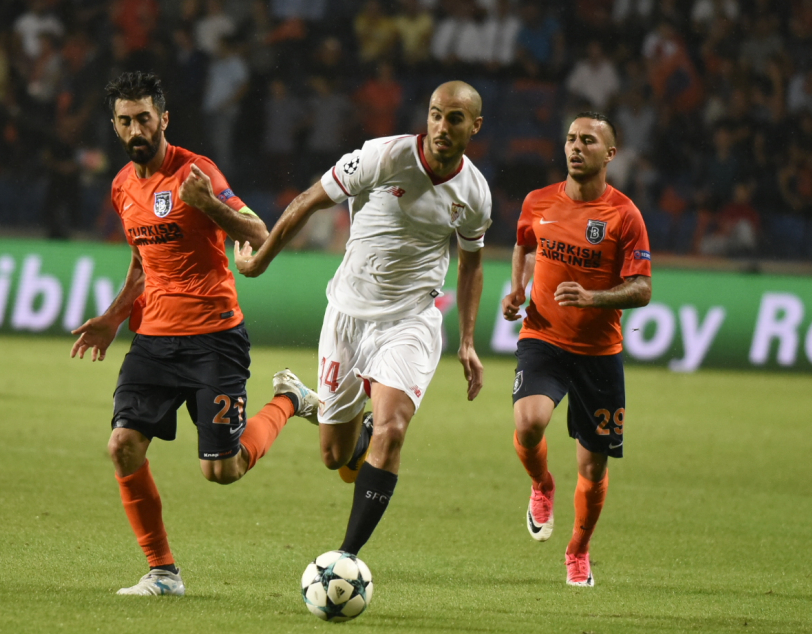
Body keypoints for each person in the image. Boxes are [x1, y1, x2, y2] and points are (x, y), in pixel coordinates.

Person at [69, 72, 319, 597]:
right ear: (114, 126)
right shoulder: (121, 187)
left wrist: (209, 206)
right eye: (124, 120)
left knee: (222, 472)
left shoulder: (197, 171)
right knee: (122, 445)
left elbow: (260, 233)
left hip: (214, 338)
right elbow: (141, 263)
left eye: (143, 118)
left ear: (163, 118)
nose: (135, 128)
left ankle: (289, 399)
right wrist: (114, 316)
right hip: (154, 339)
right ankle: (162, 572)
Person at [235, 81, 492, 557]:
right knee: (336, 456)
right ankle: (302, 400)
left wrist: (469, 341)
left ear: (474, 127)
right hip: (348, 316)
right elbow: (308, 201)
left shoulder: (475, 193)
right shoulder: (383, 157)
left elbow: (472, 262)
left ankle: (345, 558)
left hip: (411, 319)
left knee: (392, 429)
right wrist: (259, 262)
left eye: (454, 118)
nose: (441, 126)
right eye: (435, 114)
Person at [501, 112, 652, 587]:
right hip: (543, 335)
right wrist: (517, 289)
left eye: (588, 140)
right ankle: (542, 485)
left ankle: (578, 550)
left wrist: (594, 298)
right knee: (529, 424)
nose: (575, 147)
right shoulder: (538, 200)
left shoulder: (624, 214)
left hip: (599, 352)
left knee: (593, 464)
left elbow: (642, 288)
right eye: (570, 139)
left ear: (609, 154)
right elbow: (524, 245)